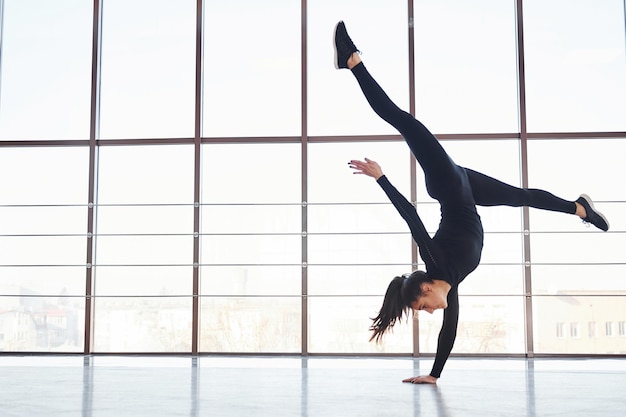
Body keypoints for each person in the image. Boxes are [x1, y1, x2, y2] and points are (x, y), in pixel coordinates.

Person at [333, 21, 610, 384]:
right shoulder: (452, 283)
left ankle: (352, 61)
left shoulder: (435, 263)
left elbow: (412, 217)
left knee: (401, 120)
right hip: (467, 190)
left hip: (449, 183)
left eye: (421, 306)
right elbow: (450, 331)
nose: (430, 313)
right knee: (522, 197)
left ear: (426, 287)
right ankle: (580, 209)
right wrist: (433, 375)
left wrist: (382, 177)